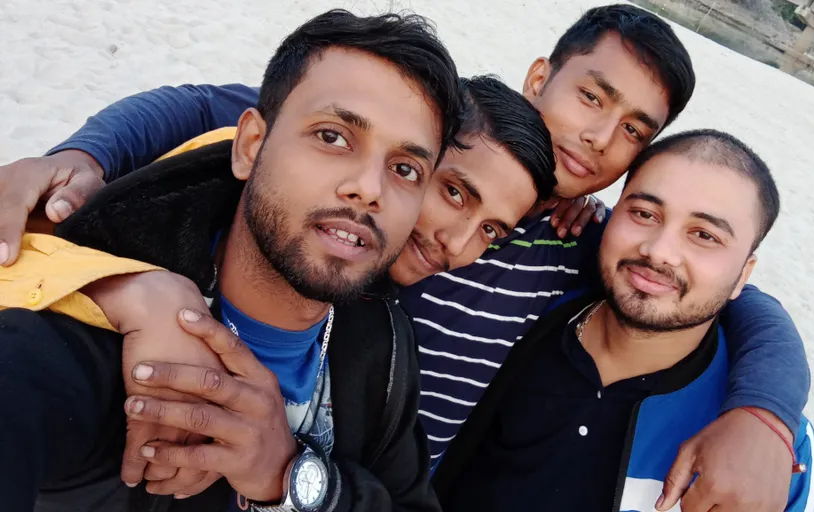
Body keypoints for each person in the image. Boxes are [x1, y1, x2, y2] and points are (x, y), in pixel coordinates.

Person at [0, 5, 811, 511]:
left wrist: (768, 414)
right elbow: (212, 112)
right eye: (591, 96)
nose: (599, 134)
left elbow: (723, 293)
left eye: (634, 128)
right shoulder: (398, 144)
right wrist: (85, 158)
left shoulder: (593, 244)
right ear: (540, 78)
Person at [0, 9, 468, 512]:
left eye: (404, 168)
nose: (370, 189)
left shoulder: (385, 349)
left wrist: (291, 477)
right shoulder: (109, 336)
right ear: (249, 146)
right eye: (332, 137)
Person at [435, 129, 814, 512]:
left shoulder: (768, 448)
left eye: (704, 235)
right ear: (608, 214)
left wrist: (764, 417)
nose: (659, 251)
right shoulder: (521, 314)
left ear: (743, 275)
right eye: (644, 214)